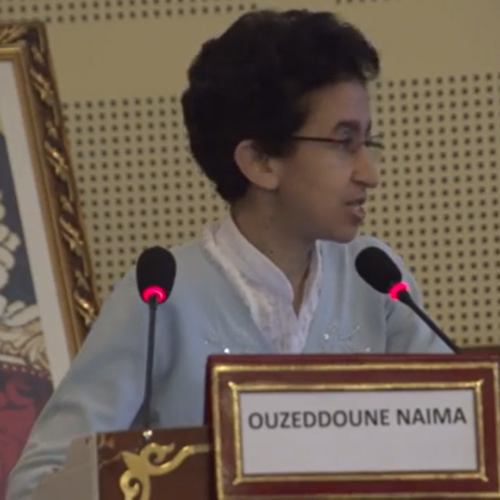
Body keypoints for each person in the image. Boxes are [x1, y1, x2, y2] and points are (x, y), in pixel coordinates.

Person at [7, 8, 453, 499]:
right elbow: (36, 483)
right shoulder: (162, 295)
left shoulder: (377, 282)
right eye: (344, 143)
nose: (370, 173)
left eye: (370, 142)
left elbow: (459, 438)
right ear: (260, 161)